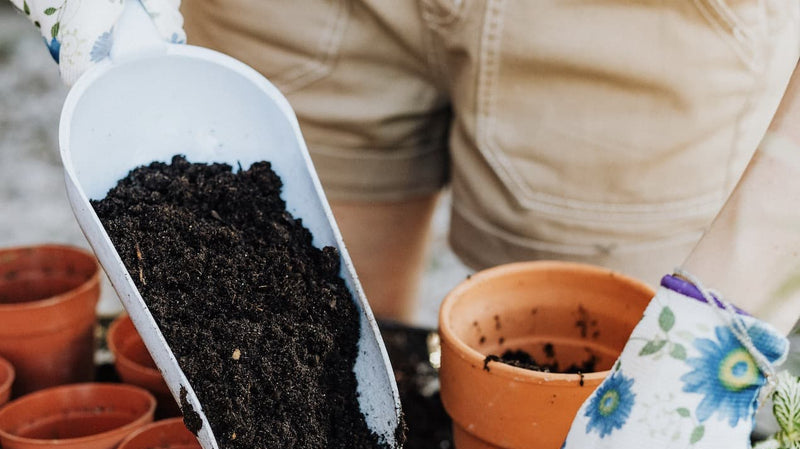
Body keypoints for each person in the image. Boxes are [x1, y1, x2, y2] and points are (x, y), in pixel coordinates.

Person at [10, 0, 799, 449]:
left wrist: (707, 336)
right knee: (341, 327)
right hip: (292, 15)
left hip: (639, 29)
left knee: (582, 365)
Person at [11, 0, 800, 327]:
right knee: (300, 346)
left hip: (642, 27)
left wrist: (715, 320)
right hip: (293, 13)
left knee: (563, 422)